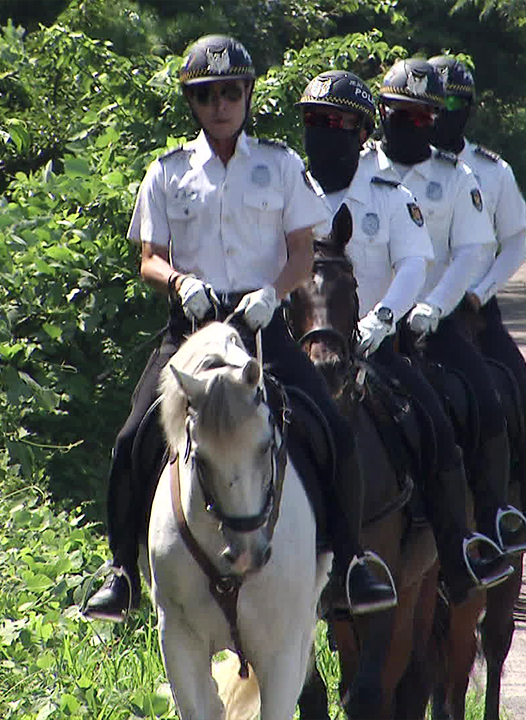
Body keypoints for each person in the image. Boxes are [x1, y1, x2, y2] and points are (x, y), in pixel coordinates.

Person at [82, 35, 396, 622]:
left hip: (262, 328)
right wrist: (178, 282)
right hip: (192, 329)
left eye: (230, 93)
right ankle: (122, 572)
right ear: (193, 103)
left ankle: (350, 563)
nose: (220, 106)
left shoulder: (280, 166)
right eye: (206, 96)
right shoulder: (167, 172)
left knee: (334, 428)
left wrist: (271, 296)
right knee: (132, 439)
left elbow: (305, 253)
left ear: (248, 95)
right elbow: (149, 256)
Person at [295, 70, 513, 604]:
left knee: (439, 425)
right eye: (319, 121)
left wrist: (386, 318)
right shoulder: (288, 190)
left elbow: (416, 264)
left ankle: (462, 546)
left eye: (343, 123)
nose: (330, 132)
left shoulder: (392, 196)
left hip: (376, 346)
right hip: (297, 347)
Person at [359, 58, 526, 557]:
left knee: (489, 397)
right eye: (401, 113)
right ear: (382, 111)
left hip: (434, 323)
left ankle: (496, 511)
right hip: (358, 327)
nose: (413, 124)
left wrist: (438, 306)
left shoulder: (460, 176)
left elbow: (476, 251)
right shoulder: (357, 169)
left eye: (423, 116)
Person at [425, 54, 526, 545]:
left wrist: (478, 294)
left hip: (474, 314)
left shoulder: (491, 170)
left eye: (454, 103)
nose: (444, 111)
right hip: (405, 309)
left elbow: (515, 243)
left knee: (525, 398)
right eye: (435, 101)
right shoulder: (393, 166)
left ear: (469, 109)